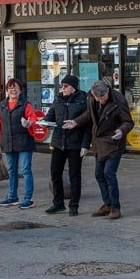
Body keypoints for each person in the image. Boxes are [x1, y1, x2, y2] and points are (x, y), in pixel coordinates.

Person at [63, 81, 134, 219]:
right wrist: (76, 122)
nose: (101, 101)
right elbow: (89, 115)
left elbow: (128, 122)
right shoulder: (90, 98)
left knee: (109, 173)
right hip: (99, 143)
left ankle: (115, 207)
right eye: (98, 99)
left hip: (114, 142)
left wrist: (121, 130)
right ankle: (107, 204)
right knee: (98, 174)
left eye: (103, 98)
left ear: (107, 90)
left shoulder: (118, 100)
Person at [44, 75, 89, 216]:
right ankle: (58, 203)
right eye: (61, 86)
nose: (62, 88)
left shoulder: (83, 101)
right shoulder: (58, 99)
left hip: (74, 143)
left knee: (74, 175)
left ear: (73, 88)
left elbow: (88, 125)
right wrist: (42, 122)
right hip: (58, 142)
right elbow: (49, 117)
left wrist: (85, 145)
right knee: (55, 173)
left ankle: (74, 205)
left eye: (65, 86)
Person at [0, 78, 38, 209]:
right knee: (12, 171)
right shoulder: (2, 105)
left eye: (16, 88)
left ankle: (28, 198)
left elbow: (33, 118)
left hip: (24, 142)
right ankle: (12, 197)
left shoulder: (26, 105)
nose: (13, 90)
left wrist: (29, 123)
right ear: (7, 91)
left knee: (26, 170)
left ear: (20, 90)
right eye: (11, 88)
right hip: (8, 142)